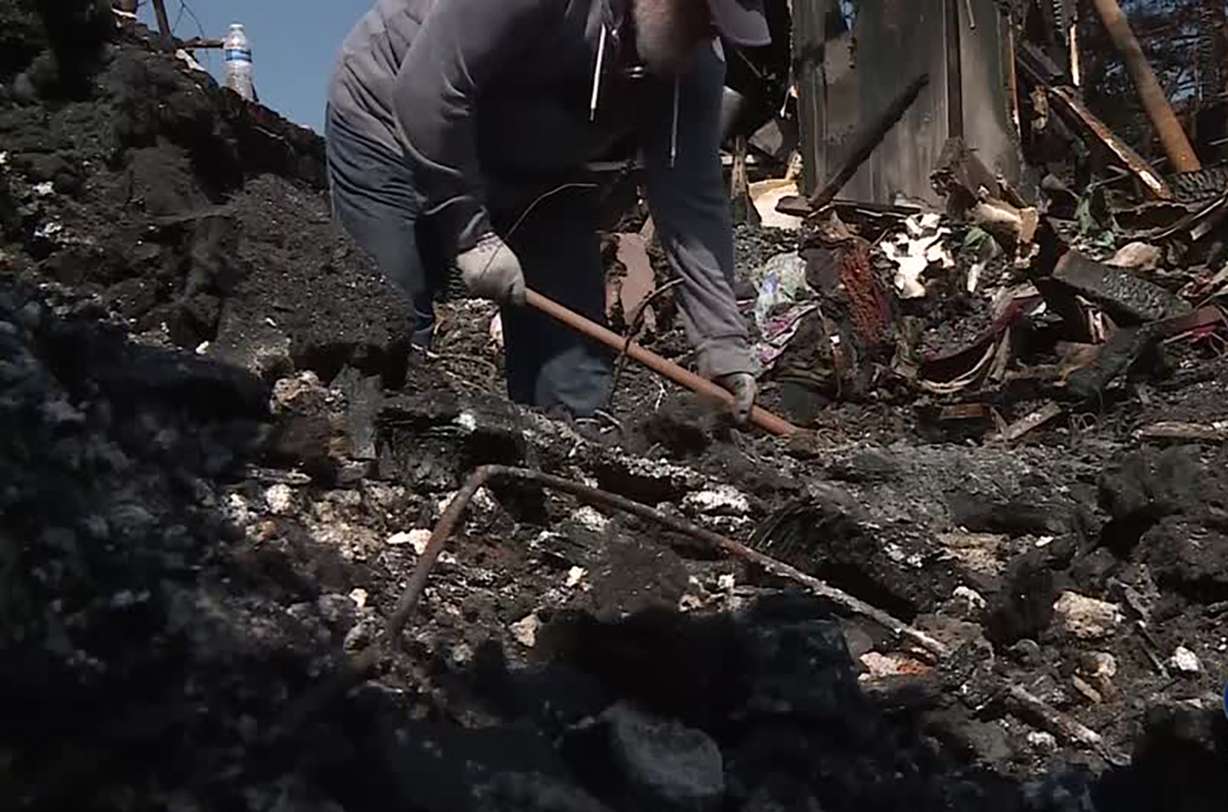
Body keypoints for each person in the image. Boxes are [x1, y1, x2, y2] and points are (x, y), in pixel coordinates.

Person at [325, 0, 767, 423]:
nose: (708, 33)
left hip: (537, 169)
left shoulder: (691, 61)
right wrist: (471, 234)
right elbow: (429, 91)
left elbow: (692, 196)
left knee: (574, 375)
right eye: (702, 11)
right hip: (393, 125)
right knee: (392, 330)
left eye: (718, 26)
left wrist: (721, 340)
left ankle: (562, 481)